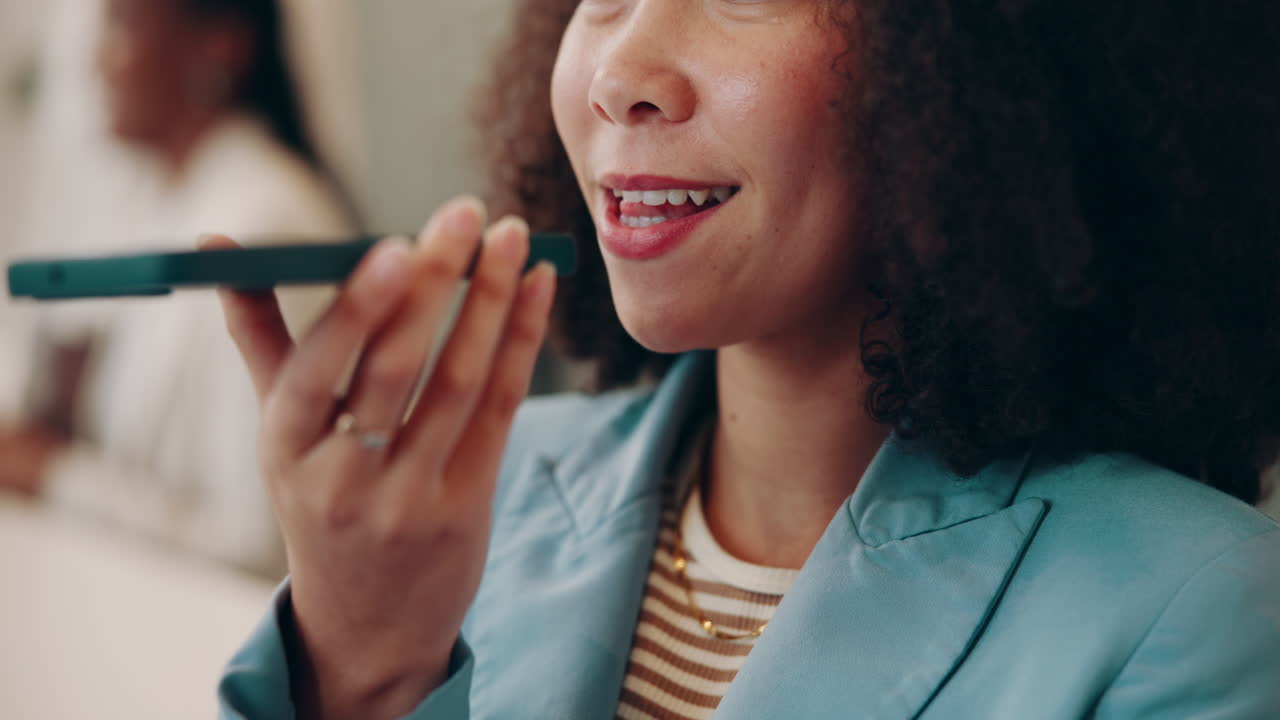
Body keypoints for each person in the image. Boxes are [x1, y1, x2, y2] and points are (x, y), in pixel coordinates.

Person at [218, 1, 1280, 717]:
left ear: (977, 57)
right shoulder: (450, 507)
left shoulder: (1199, 613)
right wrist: (358, 668)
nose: (619, 74)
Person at [0, 0, 353, 578]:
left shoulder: (263, 221)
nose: (95, 61)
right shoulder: (167, 201)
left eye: (124, 26)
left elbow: (259, 547)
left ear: (219, 48)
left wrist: (51, 474)